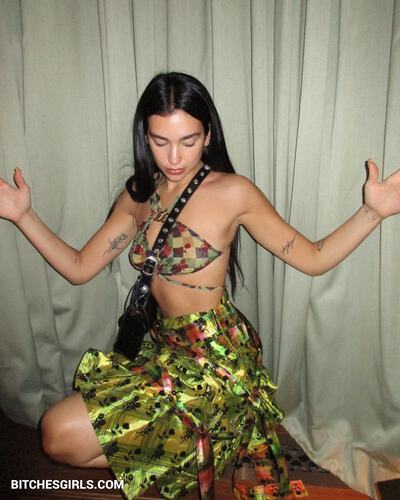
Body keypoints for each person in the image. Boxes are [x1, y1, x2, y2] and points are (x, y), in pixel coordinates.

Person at [0, 72, 399, 500]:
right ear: (145, 136)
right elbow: (80, 267)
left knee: (59, 432)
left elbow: (313, 257)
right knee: (57, 437)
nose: (174, 157)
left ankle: (214, 433)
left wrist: (372, 213)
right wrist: (24, 216)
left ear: (207, 135)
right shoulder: (139, 195)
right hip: (164, 348)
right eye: (160, 141)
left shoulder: (233, 193)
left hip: (216, 358)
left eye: (188, 141)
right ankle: (201, 447)